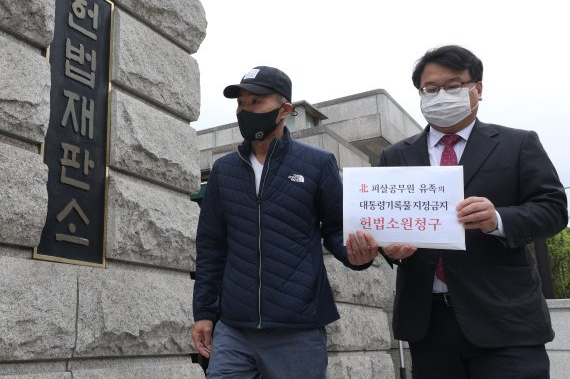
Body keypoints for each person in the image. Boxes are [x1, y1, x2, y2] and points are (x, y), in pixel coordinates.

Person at [378, 45, 568, 379]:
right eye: (430, 89)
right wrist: (388, 248)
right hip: (428, 324)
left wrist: (499, 220)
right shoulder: (395, 156)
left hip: (505, 320)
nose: (441, 95)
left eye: (453, 86)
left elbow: (553, 209)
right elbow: (386, 223)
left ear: (477, 88)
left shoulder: (518, 144)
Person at [191, 65, 378, 378]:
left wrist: (356, 255)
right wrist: (204, 313)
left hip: (298, 328)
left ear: (284, 110)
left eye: (256, 103)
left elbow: (337, 228)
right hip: (234, 329)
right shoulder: (224, 171)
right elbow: (211, 246)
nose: (245, 111)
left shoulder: (317, 164)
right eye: (241, 104)